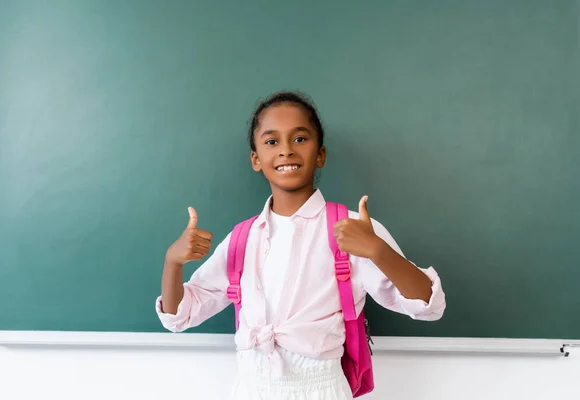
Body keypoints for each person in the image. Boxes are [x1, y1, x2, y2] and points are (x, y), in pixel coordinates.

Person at [156, 91, 446, 399]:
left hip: (321, 388)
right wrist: (172, 261)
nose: (285, 151)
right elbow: (180, 315)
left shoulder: (354, 230)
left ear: (320, 154)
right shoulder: (243, 238)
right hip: (251, 388)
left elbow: (429, 305)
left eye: (299, 139)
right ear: (256, 159)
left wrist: (378, 250)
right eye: (271, 142)